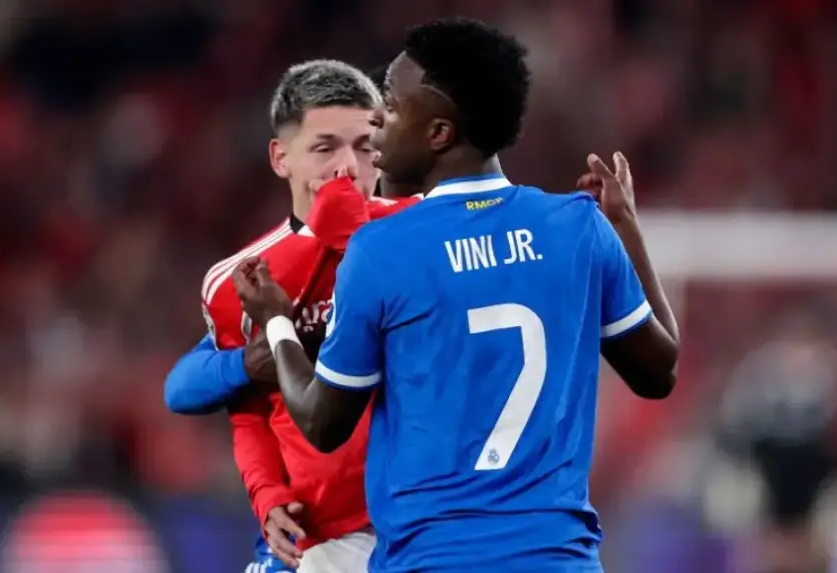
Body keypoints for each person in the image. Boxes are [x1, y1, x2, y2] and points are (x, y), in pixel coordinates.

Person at [234, 17, 679, 573]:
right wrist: (627, 229)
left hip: (434, 560)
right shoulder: (578, 227)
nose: (376, 123)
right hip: (559, 560)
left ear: (439, 133)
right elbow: (659, 372)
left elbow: (324, 424)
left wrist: (277, 324)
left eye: (392, 107)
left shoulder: (382, 249)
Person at [166, 59, 417, 573]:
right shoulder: (242, 279)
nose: (347, 167)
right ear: (281, 158)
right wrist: (267, 495)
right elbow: (245, 407)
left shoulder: (424, 233)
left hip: (427, 526)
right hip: (319, 537)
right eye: (325, 148)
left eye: (365, 147)